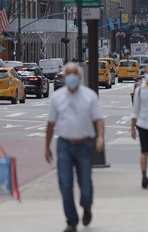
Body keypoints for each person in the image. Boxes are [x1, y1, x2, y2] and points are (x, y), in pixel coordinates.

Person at [45, 62, 105, 232]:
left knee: (85, 182)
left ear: (79, 76)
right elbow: (50, 123)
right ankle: (71, 220)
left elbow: (99, 119)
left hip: (85, 144)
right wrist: (47, 146)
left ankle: (86, 206)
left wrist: (100, 137)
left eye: (74, 73)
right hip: (64, 145)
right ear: (65, 76)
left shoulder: (89, 96)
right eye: (68, 73)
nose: (71, 76)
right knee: (65, 183)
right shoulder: (57, 97)